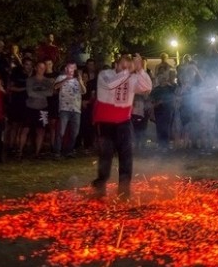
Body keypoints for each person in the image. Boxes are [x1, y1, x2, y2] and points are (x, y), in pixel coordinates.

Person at [92, 54, 152, 199]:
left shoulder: (131, 76)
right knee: (105, 155)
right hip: (105, 122)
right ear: (116, 65)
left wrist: (140, 70)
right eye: (122, 66)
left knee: (126, 156)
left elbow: (147, 87)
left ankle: (124, 189)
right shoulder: (105, 75)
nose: (125, 69)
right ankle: (100, 185)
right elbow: (111, 85)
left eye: (128, 66)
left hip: (124, 121)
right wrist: (129, 71)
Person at [18, 61, 54, 159]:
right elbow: (30, 93)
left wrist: (37, 89)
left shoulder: (47, 81)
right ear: (36, 68)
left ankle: (37, 153)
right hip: (30, 107)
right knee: (25, 129)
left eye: (43, 68)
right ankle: (20, 151)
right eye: (40, 67)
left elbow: (50, 93)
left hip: (43, 108)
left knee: (41, 130)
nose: (41, 70)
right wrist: (43, 91)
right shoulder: (30, 80)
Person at [53, 62, 86, 158]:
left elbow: (84, 91)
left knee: (74, 132)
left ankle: (69, 151)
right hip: (64, 108)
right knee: (61, 131)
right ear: (66, 68)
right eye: (69, 67)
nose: (71, 69)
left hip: (76, 109)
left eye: (73, 68)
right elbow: (55, 87)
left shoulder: (78, 79)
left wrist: (80, 81)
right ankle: (57, 152)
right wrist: (66, 79)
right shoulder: (61, 77)